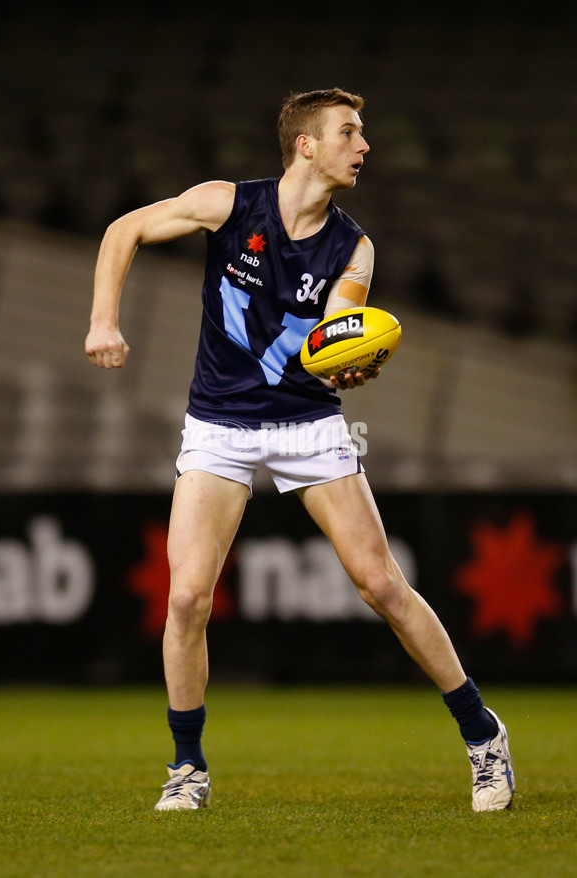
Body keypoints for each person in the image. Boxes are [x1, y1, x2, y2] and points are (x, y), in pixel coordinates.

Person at [85, 88, 514, 813]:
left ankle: (484, 738)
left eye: (363, 132)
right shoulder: (227, 204)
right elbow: (122, 230)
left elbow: (336, 339)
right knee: (187, 596)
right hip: (218, 422)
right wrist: (103, 321)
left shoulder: (354, 246)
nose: (364, 145)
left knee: (380, 584)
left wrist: (351, 363)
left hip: (306, 424)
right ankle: (187, 768)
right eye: (350, 132)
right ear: (306, 145)